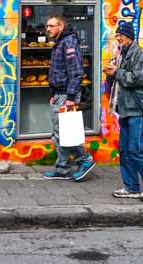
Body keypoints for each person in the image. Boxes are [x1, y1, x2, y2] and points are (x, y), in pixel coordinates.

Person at [103, 22, 143, 201]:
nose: (118, 37)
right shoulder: (122, 54)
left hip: (137, 109)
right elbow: (120, 78)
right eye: (117, 34)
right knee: (125, 150)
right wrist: (111, 73)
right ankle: (131, 187)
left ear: (130, 36)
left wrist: (117, 72)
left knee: (135, 149)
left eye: (121, 35)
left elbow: (136, 79)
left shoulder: (139, 54)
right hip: (126, 108)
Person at [43, 15, 96, 181]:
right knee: (60, 132)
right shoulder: (61, 42)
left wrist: (71, 97)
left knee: (64, 132)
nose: (48, 29)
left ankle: (84, 160)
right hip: (60, 93)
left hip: (67, 94)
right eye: (47, 26)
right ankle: (62, 168)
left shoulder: (69, 42)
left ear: (61, 26)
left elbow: (76, 71)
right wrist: (54, 94)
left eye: (52, 26)